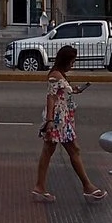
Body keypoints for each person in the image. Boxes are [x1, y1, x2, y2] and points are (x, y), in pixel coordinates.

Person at [32, 45, 107, 203]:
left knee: (52, 152)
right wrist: (50, 121)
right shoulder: (55, 76)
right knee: (70, 150)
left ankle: (40, 187)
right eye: (72, 61)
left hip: (63, 119)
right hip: (58, 121)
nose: (73, 64)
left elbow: (60, 92)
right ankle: (87, 187)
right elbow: (51, 98)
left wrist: (73, 90)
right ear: (65, 61)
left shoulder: (60, 75)